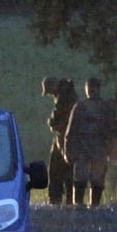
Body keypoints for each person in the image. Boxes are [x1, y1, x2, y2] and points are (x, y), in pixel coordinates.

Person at [63, 77, 117, 207]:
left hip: (98, 148)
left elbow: (114, 131)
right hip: (85, 148)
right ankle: (79, 204)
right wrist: (68, 150)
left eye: (93, 88)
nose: (91, 91)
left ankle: (91, 205)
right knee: (81, 178)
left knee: (95, 179)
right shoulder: (80, 107)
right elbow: (71, 130)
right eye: (90, 88)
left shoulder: (102, 108)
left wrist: (114, 150)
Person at [42, 76, 77, 204]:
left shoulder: (64, 97)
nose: (50, 95)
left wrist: (52, 123)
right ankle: (69, 199)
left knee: (58, 170)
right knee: (65, 170)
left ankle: (58, 199)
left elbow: (60, 119)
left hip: (65, 138)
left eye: (49, 92)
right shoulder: (66, 93)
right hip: (64, 137)